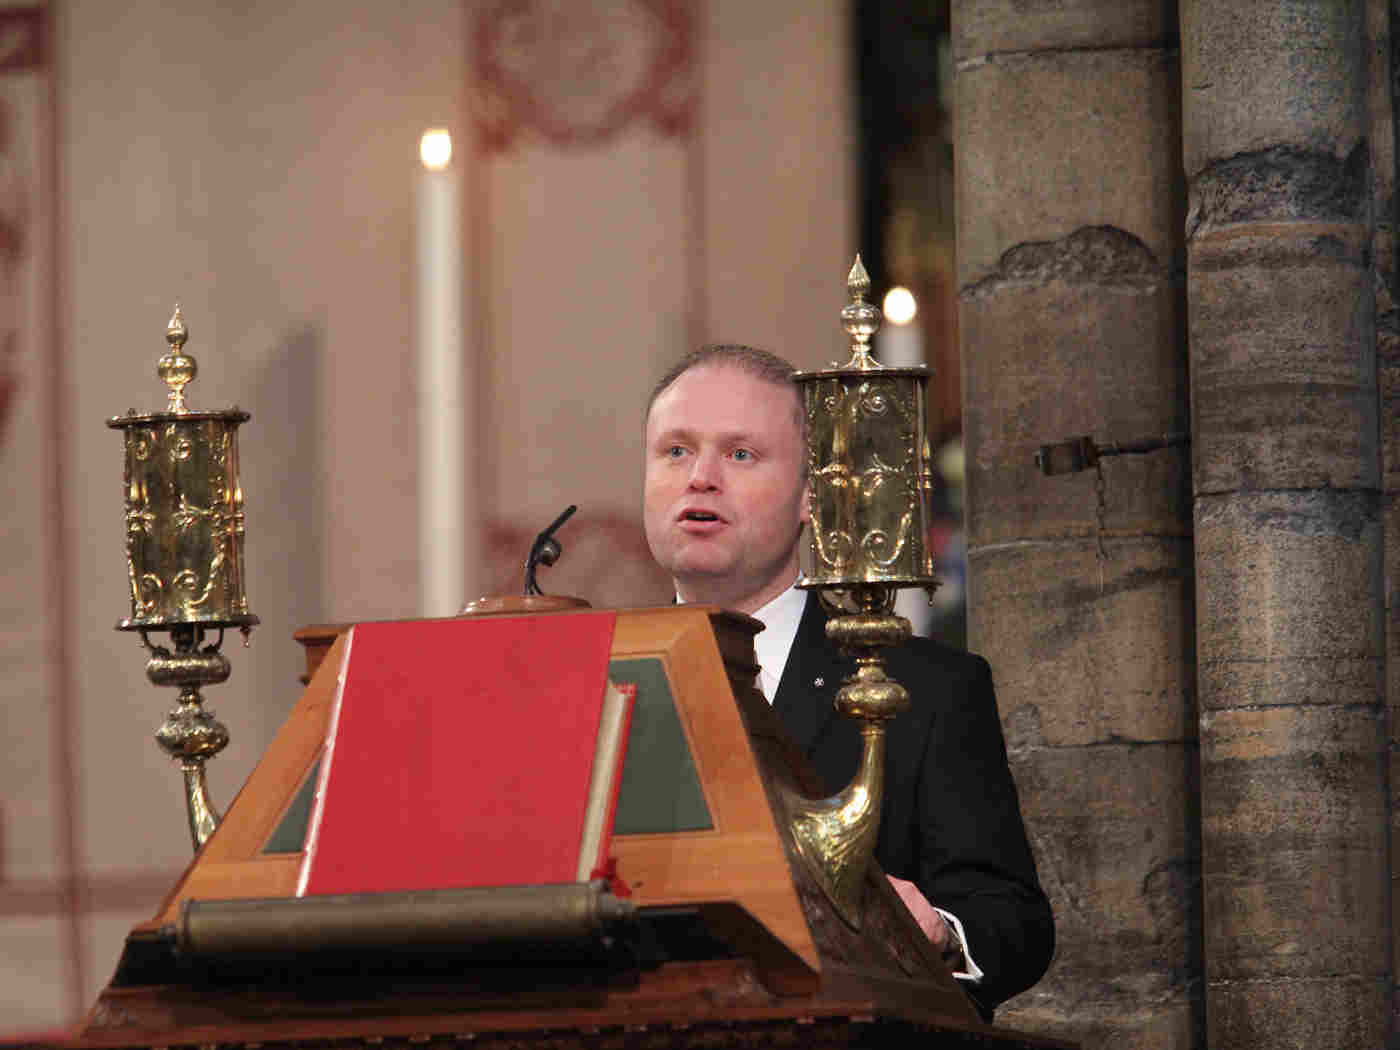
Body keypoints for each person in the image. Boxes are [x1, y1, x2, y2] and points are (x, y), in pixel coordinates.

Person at [642, 343, 1054, 1020]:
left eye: (741, 454)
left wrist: (940, 934)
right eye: (676, 452)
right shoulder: (596, 683)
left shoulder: (926, 690)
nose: (701, 478)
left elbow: (1014, 923)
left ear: (812, 495)